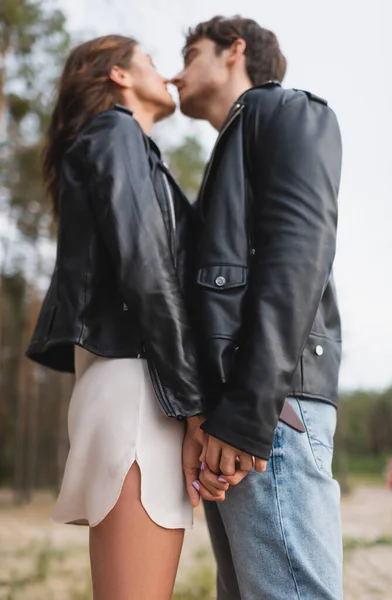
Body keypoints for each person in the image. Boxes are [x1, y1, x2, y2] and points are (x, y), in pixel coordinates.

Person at [26, 34, 220, 600]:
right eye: (154, 63)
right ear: (120, 76)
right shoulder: (116, 133)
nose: (167, 75)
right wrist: (194, 407)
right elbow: (146, 269)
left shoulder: (116, 146)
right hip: (142, 388)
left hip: (131, 382)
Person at [174, 16, 343, 600]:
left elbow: (300, 260)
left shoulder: (290, 112)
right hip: (246, 408)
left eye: (190, 53)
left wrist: (248, 412)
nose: (175, 73)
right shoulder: (237, 142)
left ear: (233, 52)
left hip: (270, 406)